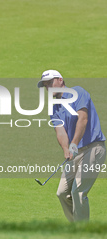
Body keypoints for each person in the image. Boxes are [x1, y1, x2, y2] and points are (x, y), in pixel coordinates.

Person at [37, 70, 106, 222]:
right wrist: (66, 149)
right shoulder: (54, 107)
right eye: (45, 85)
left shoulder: (78, 92)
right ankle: (76, 226)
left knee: (78, 191)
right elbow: (60, 131)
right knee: (61, 193)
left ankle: (82, 233)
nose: (48, 87)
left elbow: (83, 119)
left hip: (94, 148)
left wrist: (73, 143)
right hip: (75, 153)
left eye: (50, 83)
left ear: (60, 80)